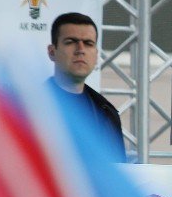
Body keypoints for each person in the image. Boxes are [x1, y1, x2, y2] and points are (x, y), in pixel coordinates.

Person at [46, 12, 126, 162]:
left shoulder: (106, 112)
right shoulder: (28, 106)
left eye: (88, 43)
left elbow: (116, 171)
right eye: (70, 42)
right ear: (52, 51)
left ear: (96, 55)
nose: (80, 49)